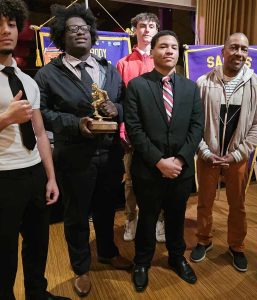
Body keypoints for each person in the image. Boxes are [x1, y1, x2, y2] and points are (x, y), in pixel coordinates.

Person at [34, 3, 131, 297]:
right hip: (74, 157)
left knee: (106, 209)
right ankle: (81, 268)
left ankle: (107, 251)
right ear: (62, 36)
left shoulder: (109, 71)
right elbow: (42, 113)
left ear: (92, 34)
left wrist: (117, 109)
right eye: (73, 29)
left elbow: (126, 105)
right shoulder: (48, 75)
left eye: (85, 28)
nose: (80, 33)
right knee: (77, 216)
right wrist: (76, 124)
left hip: (110, 154)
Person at [0, 1, 70, 299]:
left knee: (38, 243)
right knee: (3, 253)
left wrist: (50, 177)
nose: (6, 30)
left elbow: (40, 132)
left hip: (34, 173)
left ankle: (37, 294)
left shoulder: (28, 81)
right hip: (3, 178)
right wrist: (6, 118)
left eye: (11, 24)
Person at [124, 30, 204, 292]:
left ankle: (176, 257)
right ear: (154, 51)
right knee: (147, 217)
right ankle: (142, 262)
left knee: (176, 215)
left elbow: (197, 127)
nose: (169, 51)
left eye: (174, 47)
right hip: (148, 169)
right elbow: (134, 129)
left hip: (181, 170)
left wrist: (180, 159)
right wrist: (159, 161)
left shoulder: (191, 88)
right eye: (163, 46)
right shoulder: (137, 86)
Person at [190, 32, 257, 272]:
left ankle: (237, 246)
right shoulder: (203, 82)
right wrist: (204, 151)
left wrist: (237, 154)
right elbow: (195, 122)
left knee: (238, 204)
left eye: (244, 49)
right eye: (233, 48)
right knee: (204, 202)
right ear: (222, 52)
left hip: (238, 157)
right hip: (208, 156)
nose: (239, 53)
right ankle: (203, 239)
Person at [117, 12, 165, 242]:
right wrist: (123, 132)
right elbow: (119, 102)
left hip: (160, 135)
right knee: (131, 180)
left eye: (151, 26)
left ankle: (159, 220)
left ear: (157, 31)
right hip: (132, 136)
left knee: (162, 178)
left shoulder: (163, 61)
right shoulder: (123, 63)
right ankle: (131, 219)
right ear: (134, 30)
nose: (146, 30)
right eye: (142, 26)